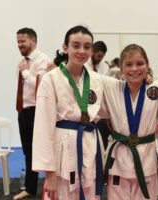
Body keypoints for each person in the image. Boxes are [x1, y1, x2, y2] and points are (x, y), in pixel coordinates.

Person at [32, 25, 105, 200]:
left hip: (91, 141)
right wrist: (49, 174)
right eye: (76, 45)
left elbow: (123, 86)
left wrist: (147, 78)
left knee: (89, 190)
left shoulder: (97, 79)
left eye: (87, 47)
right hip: (64, 146)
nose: (82, 51)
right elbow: (43, 127)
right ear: (65, 48)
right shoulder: (50, 78)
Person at [102, 44, 158, 200]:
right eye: (129, 64)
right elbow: (84, 75)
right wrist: (60, 64)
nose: (134, 69)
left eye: (140, 63)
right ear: (121, 68)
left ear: (147, 65)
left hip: (146, 161)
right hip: (118, 163)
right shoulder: (112, 87)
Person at [14, 27, 51, 200]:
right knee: (28, 151)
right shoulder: (22, 62)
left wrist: (26, 72)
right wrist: (23, 70)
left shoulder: (43, 60)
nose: (19, 44)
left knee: (45, 150)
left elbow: (41, 84)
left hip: (39, 110)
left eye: (23, 41)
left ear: (33, 41)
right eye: (18, 41)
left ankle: (53, 186)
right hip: (24, 111)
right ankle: (30, 188)